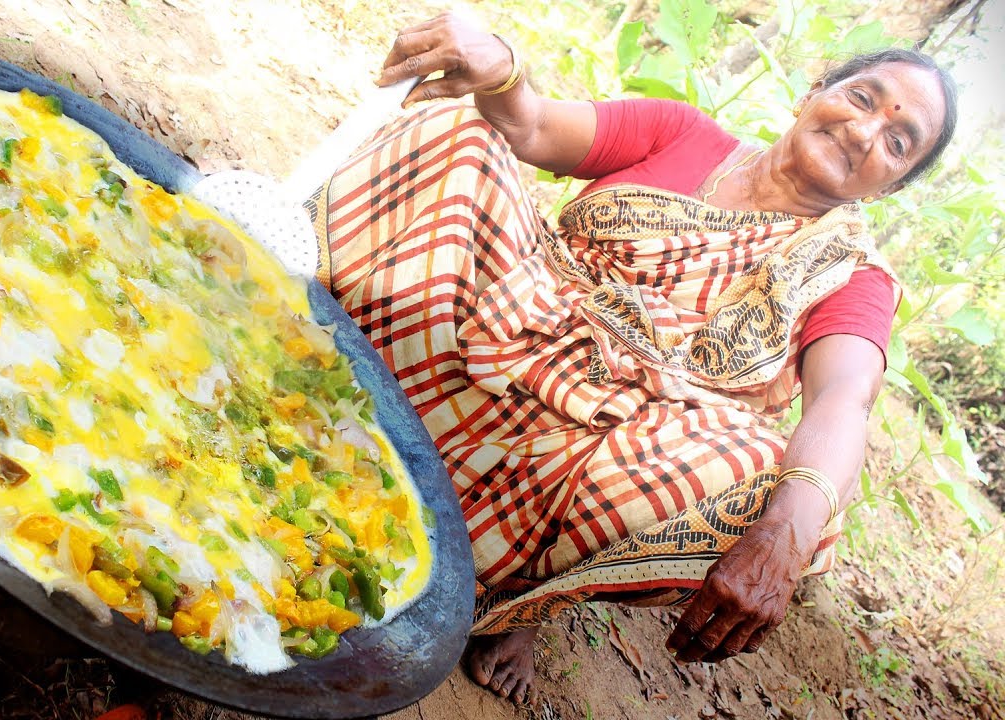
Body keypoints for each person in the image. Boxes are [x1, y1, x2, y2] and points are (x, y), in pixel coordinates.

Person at [306, 12, 958, 704]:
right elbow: (528, 126)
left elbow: (842, 400)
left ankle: (525, 590)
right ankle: (329, 363)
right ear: (816, 87)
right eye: (861, 98)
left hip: (600, 441)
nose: (863, 132)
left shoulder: (851, 276)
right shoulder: (684, 132)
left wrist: (786, 536)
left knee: (779, 490)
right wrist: (501, 65)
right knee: (459, 136)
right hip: (498, 328)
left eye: (896, 140)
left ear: (890, 187)